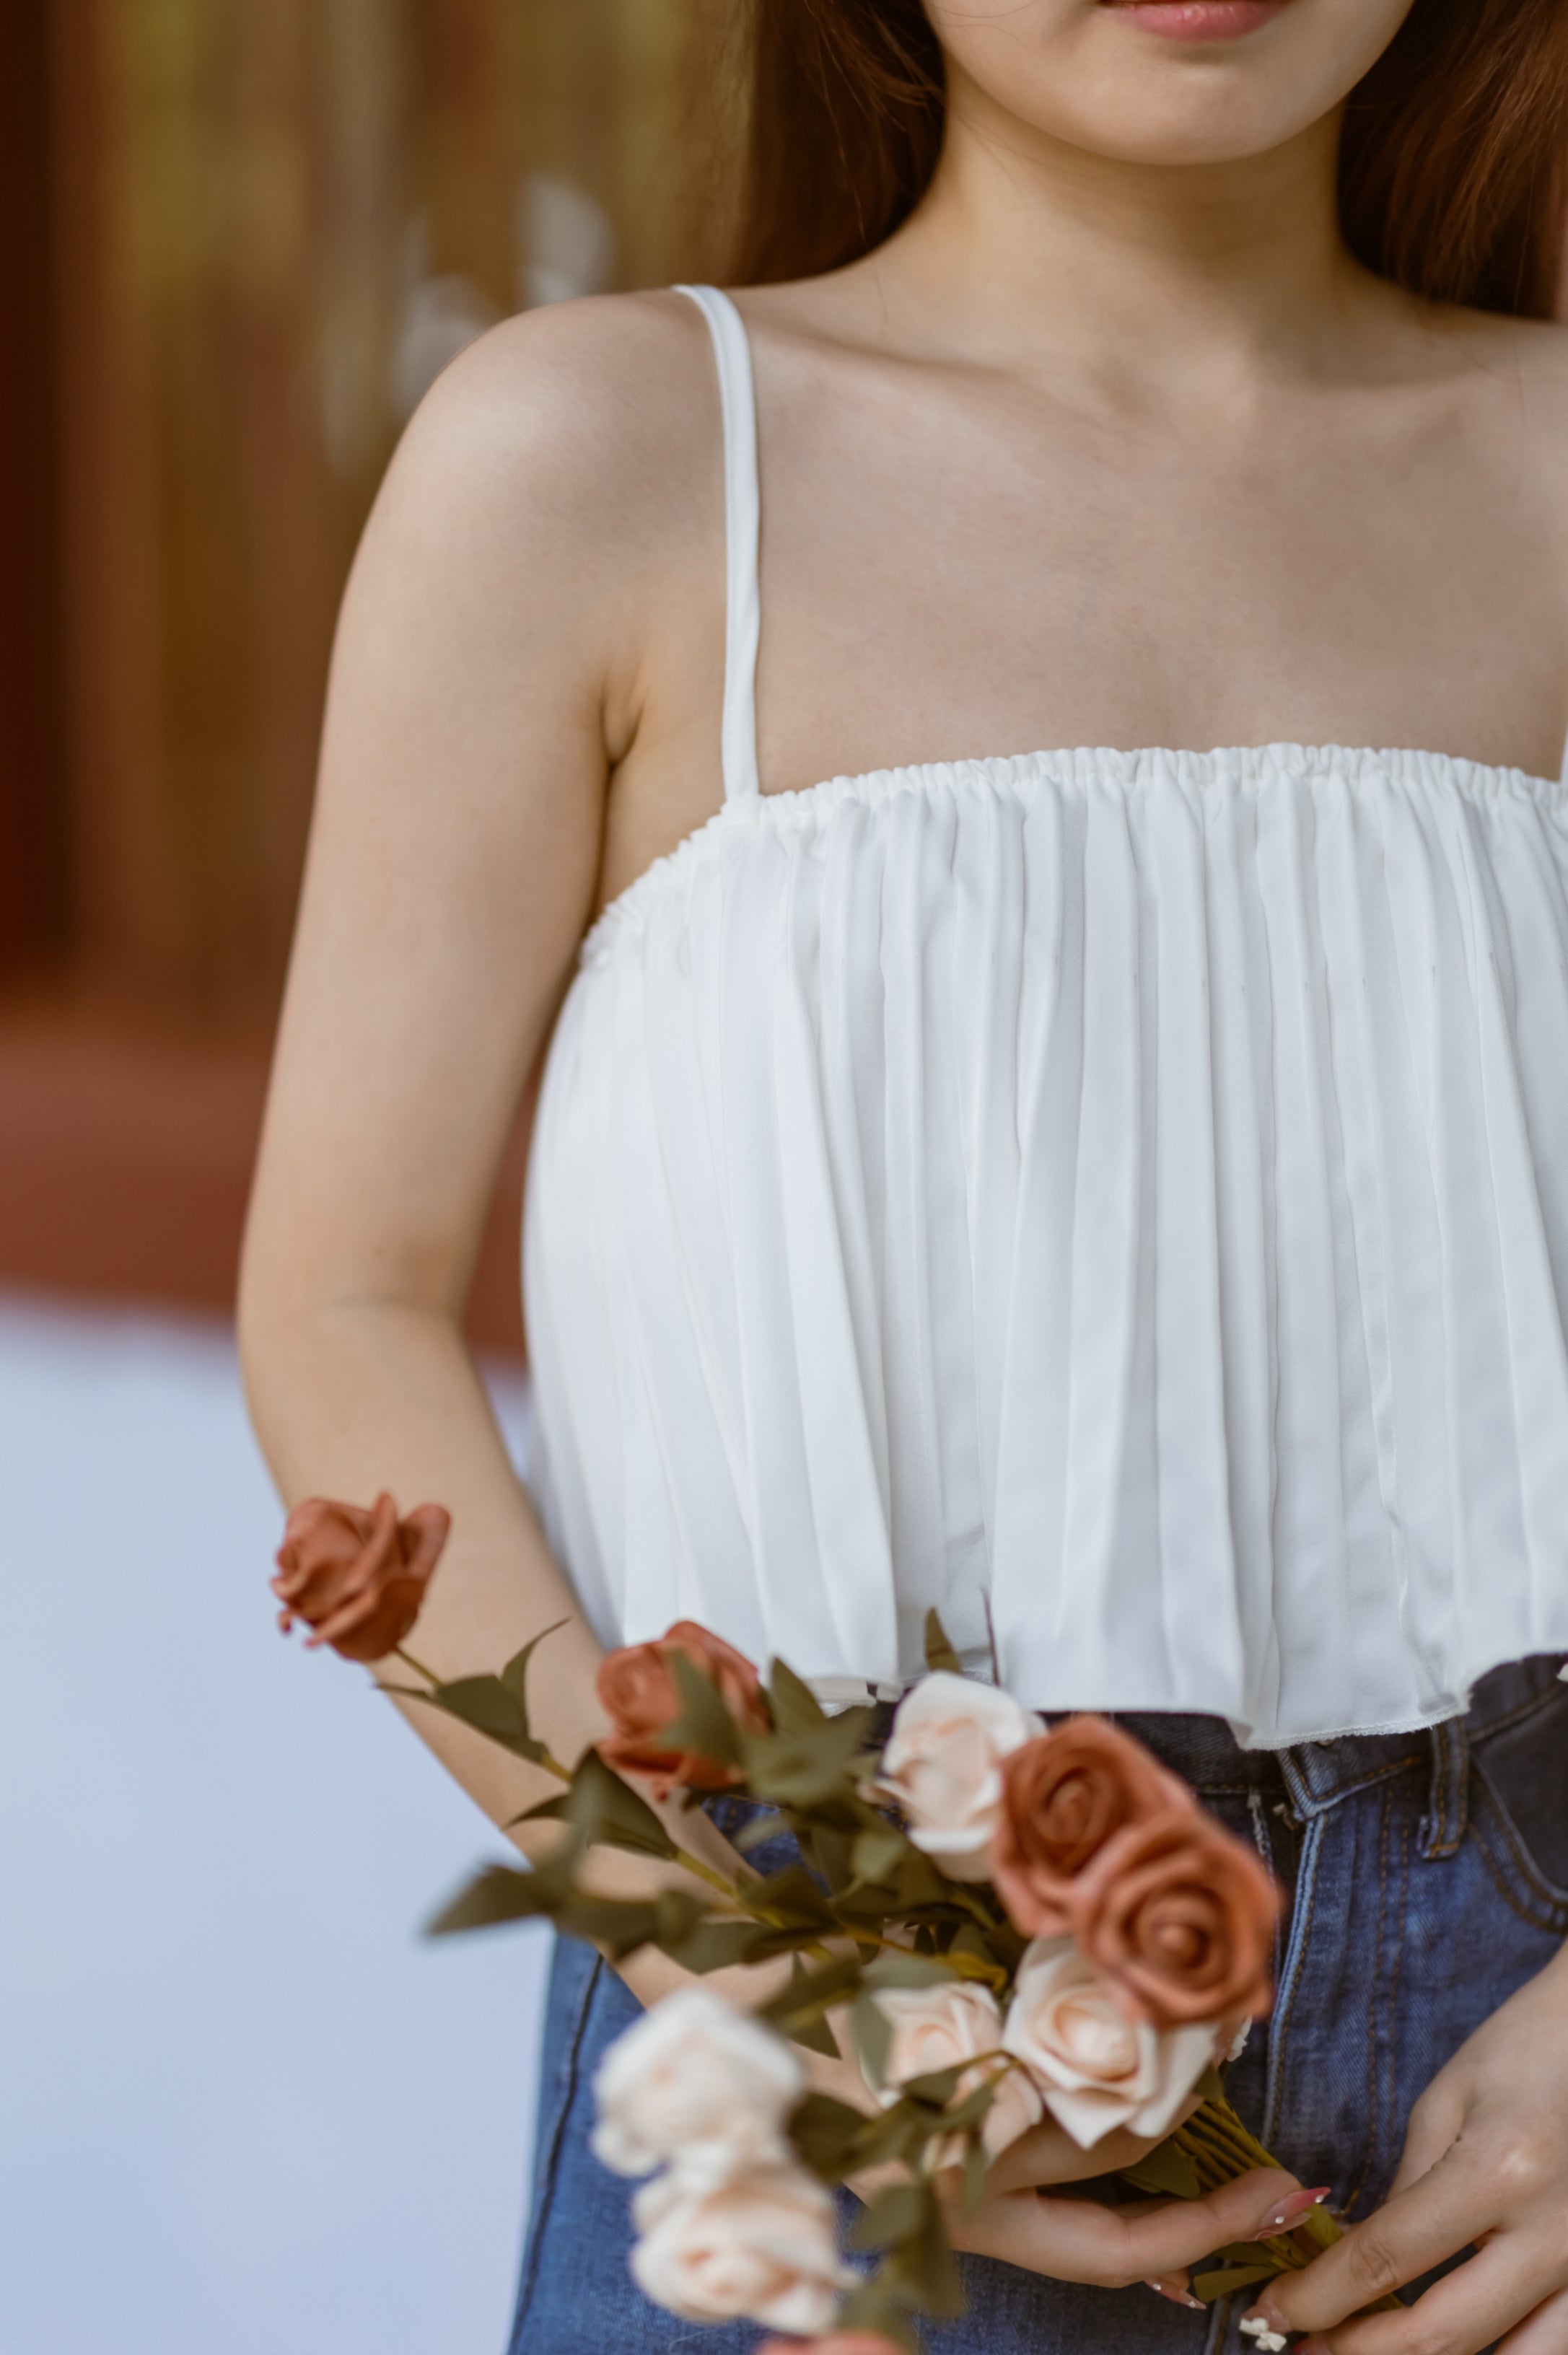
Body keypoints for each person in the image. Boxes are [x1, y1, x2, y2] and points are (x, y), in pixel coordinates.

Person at [239, 2, 1568, 2349]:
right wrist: (758, 1973)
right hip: (848, 1998)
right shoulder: (609, 460)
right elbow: (339, 1306)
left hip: (1533, 2077)